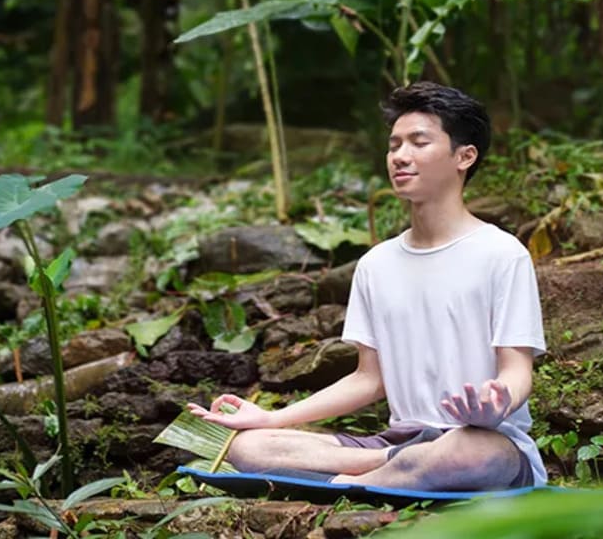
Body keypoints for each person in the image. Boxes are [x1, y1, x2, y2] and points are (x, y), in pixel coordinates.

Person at [187, 81, 547, 490]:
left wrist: (495, 403)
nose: (400, 157)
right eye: (394, 145)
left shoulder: (502, 254)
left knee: (469, 454)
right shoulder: (377, 264)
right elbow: (369, 379)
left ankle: (348, 480)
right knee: (249, 447)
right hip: (399, 442)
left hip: (482, 439)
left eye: (418, 142)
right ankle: (390, 467)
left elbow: (517, 371)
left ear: (464, 156)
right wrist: (270, 419)